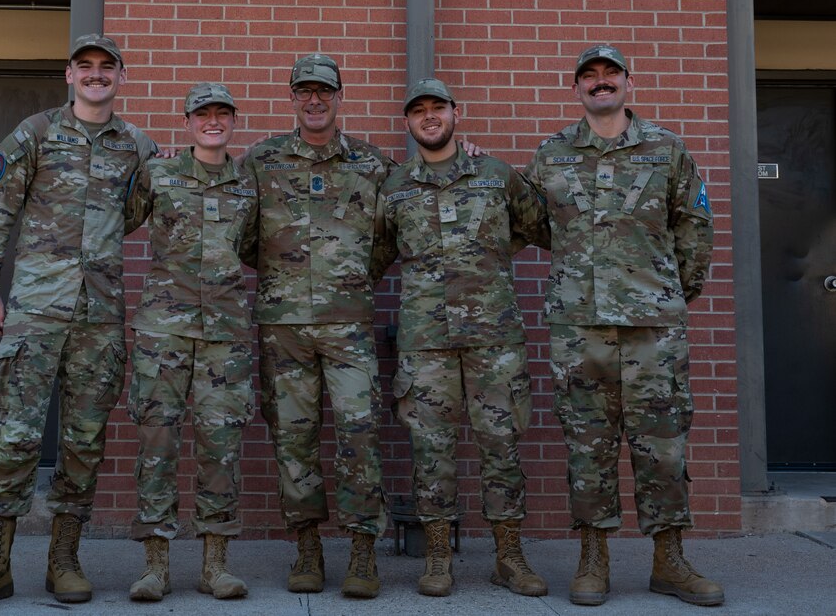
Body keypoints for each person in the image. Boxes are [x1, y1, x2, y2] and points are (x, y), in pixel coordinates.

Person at [0, 34, 158, 611]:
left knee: (84, 442)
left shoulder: (139, 147)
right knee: (16, 438)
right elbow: (0, 211)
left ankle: (64, 561)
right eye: (85, 66)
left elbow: (136, 215)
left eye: (106, 67)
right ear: (69, 75)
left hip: (100, 316)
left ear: (121, 76)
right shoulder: (36, 133)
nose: (96, 75)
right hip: (37, 311)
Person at [525, 44, 722, 607]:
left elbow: (695, 227)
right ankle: (593, 560)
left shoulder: (667, 150)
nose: (601, 83)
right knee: (587, 444)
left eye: (610, 74)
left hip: (653, 329)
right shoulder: (552, 154)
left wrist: (666, 293)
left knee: (662, 445)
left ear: (627, 83)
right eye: (590, 76)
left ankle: (670, 560)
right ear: (577, 88)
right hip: (579, 328)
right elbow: (535, 226)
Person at [379, 78, 549, 598]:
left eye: (438, 108)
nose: (429, 117)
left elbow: (536, 226)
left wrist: (487, 261)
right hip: (425, 340)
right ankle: (436, 558)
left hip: (492, 337)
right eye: (418, 111)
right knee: (431, 450)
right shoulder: (395, 187)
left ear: (457, 113)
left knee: (502, 447)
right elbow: (377, 252)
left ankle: (509, 557)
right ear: (408, 123)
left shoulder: (497, 176)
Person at [241, 54, 395, 598]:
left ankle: (361, 552)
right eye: (304, 92)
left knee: (360, 436)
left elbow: (392, 237)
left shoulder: (372, 165)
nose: (314, 101)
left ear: (338, 96)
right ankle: (306, 548)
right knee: (294, 440)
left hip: (347, 325)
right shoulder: (260, 161)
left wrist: (348, 280)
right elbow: (243, 238)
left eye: (323, 92)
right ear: (291, 97)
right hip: (283, 327)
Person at [124, 83, 258, 602]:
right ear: (187, 122)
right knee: (157, 442)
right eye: (204, 114)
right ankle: (155, 566)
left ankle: (215, 565)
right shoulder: (158, 174)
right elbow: (123, 217)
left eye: (223, 113)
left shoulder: (248, 185)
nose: (214, 121)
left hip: (225, 333)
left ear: (233, 122)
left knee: (220, 447)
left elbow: (252, 246)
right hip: (165, 330)